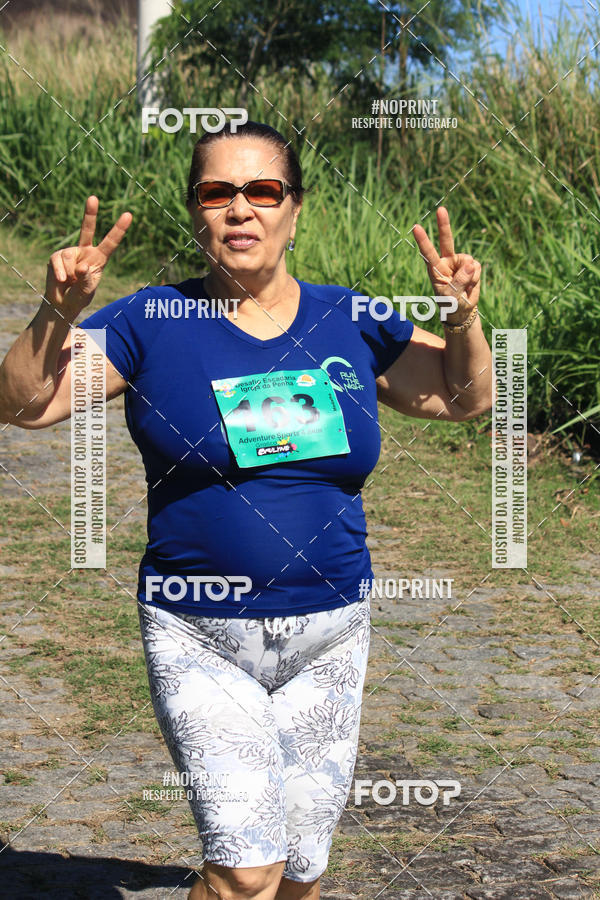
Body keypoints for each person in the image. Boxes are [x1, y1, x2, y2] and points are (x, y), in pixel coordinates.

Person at [0, 121, 492, 899]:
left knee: (298, 874)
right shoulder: (149, 321)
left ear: (295, 211)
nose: (240, 209)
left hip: (330, 636)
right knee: (244, 873)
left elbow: (466, 398)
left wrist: (462, 317)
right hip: (198, 631)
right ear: (195, 212)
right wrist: (55, 313)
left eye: (263, 191)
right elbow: (24, 405)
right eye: (216, 192)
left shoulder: (351, 317)